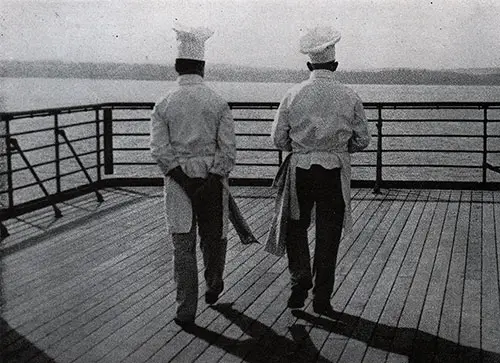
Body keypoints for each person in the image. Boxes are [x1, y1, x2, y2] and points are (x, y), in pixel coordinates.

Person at [266, 26, 371, 317]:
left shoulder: (293, 93)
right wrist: (338, 147)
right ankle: (322, 298)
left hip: (300, 169)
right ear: (335, 65)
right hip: (334, 171)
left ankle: (300, 277)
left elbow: (277, 138)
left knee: (295, 227)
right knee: (329, 234)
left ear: (308, 65)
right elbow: (363, 139)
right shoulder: (349, 95)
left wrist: (299, 147)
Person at [150, 23, 237, 326]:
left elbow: (159, 150)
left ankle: (185, 308)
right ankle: (214, 283)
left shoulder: (164, 103)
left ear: (176, 66)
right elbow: (228, 149)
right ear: (203, 66)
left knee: (182, 246)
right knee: (214, 239)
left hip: (178, 182)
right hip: (212, 179)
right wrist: (212, 179)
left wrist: (185, 181)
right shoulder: (217, 101)